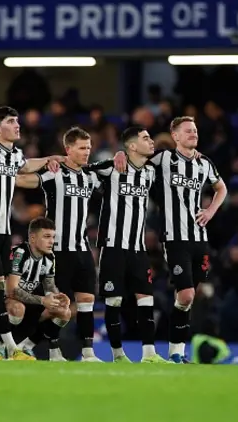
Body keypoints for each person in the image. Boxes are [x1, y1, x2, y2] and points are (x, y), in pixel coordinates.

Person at [15, 127, 126, 362]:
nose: (87, 152)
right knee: (57, 308)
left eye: (89, 148)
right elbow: (26, 179)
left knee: (86, 301)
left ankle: (87, 353)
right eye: (82, 148)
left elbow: (110, 169)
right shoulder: (54, 173)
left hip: (82, 249)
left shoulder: (90, 175)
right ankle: (29, 343)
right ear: (68, 149)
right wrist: (3, 174)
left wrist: (119, 155)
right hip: (58, 251)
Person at [0, 106, 64, 360]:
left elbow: (26, 167)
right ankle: (1, 348)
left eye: (18, 121)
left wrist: (49, 160)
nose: (18, 125)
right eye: (11, 121)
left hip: (3, 230)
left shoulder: (13, 155)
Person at [148, 116, 228, 363]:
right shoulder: (163, 159)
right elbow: (136, 161)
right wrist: (121, 156)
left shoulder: (204, 163)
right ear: (176, 136)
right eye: (188, 131)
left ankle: (177, 353)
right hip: (174, 237)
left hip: (199, 237)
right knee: (186, 295)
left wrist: (210, 211)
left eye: (195, 130)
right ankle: (175, 352)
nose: (194, 133)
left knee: (189, 296)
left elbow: (221, 188)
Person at [85, 126, 168, 363]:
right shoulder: (112, 167)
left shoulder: (151, 171)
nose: (151, 141)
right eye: (145, 138)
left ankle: (149, 353)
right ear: (131, 146)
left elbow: (172, 153)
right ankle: (117, 353)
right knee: (114, 301)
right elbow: (82, 168)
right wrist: (116, 155)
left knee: (146, 298)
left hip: (138, 248)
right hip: (113, 246)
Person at [5, 217, 71, 361]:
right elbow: (12, 290)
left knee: (64, 312)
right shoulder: (20, 253)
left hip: (30, 303)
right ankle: (2, 346)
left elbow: (49, 286)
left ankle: (26, 347)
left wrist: (57, 297)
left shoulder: (49, 257)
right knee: (17, 308)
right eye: (47, 237)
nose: (51, 241)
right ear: (33, 238)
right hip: (4, 304)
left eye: (53, 237)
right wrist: (43, 300)